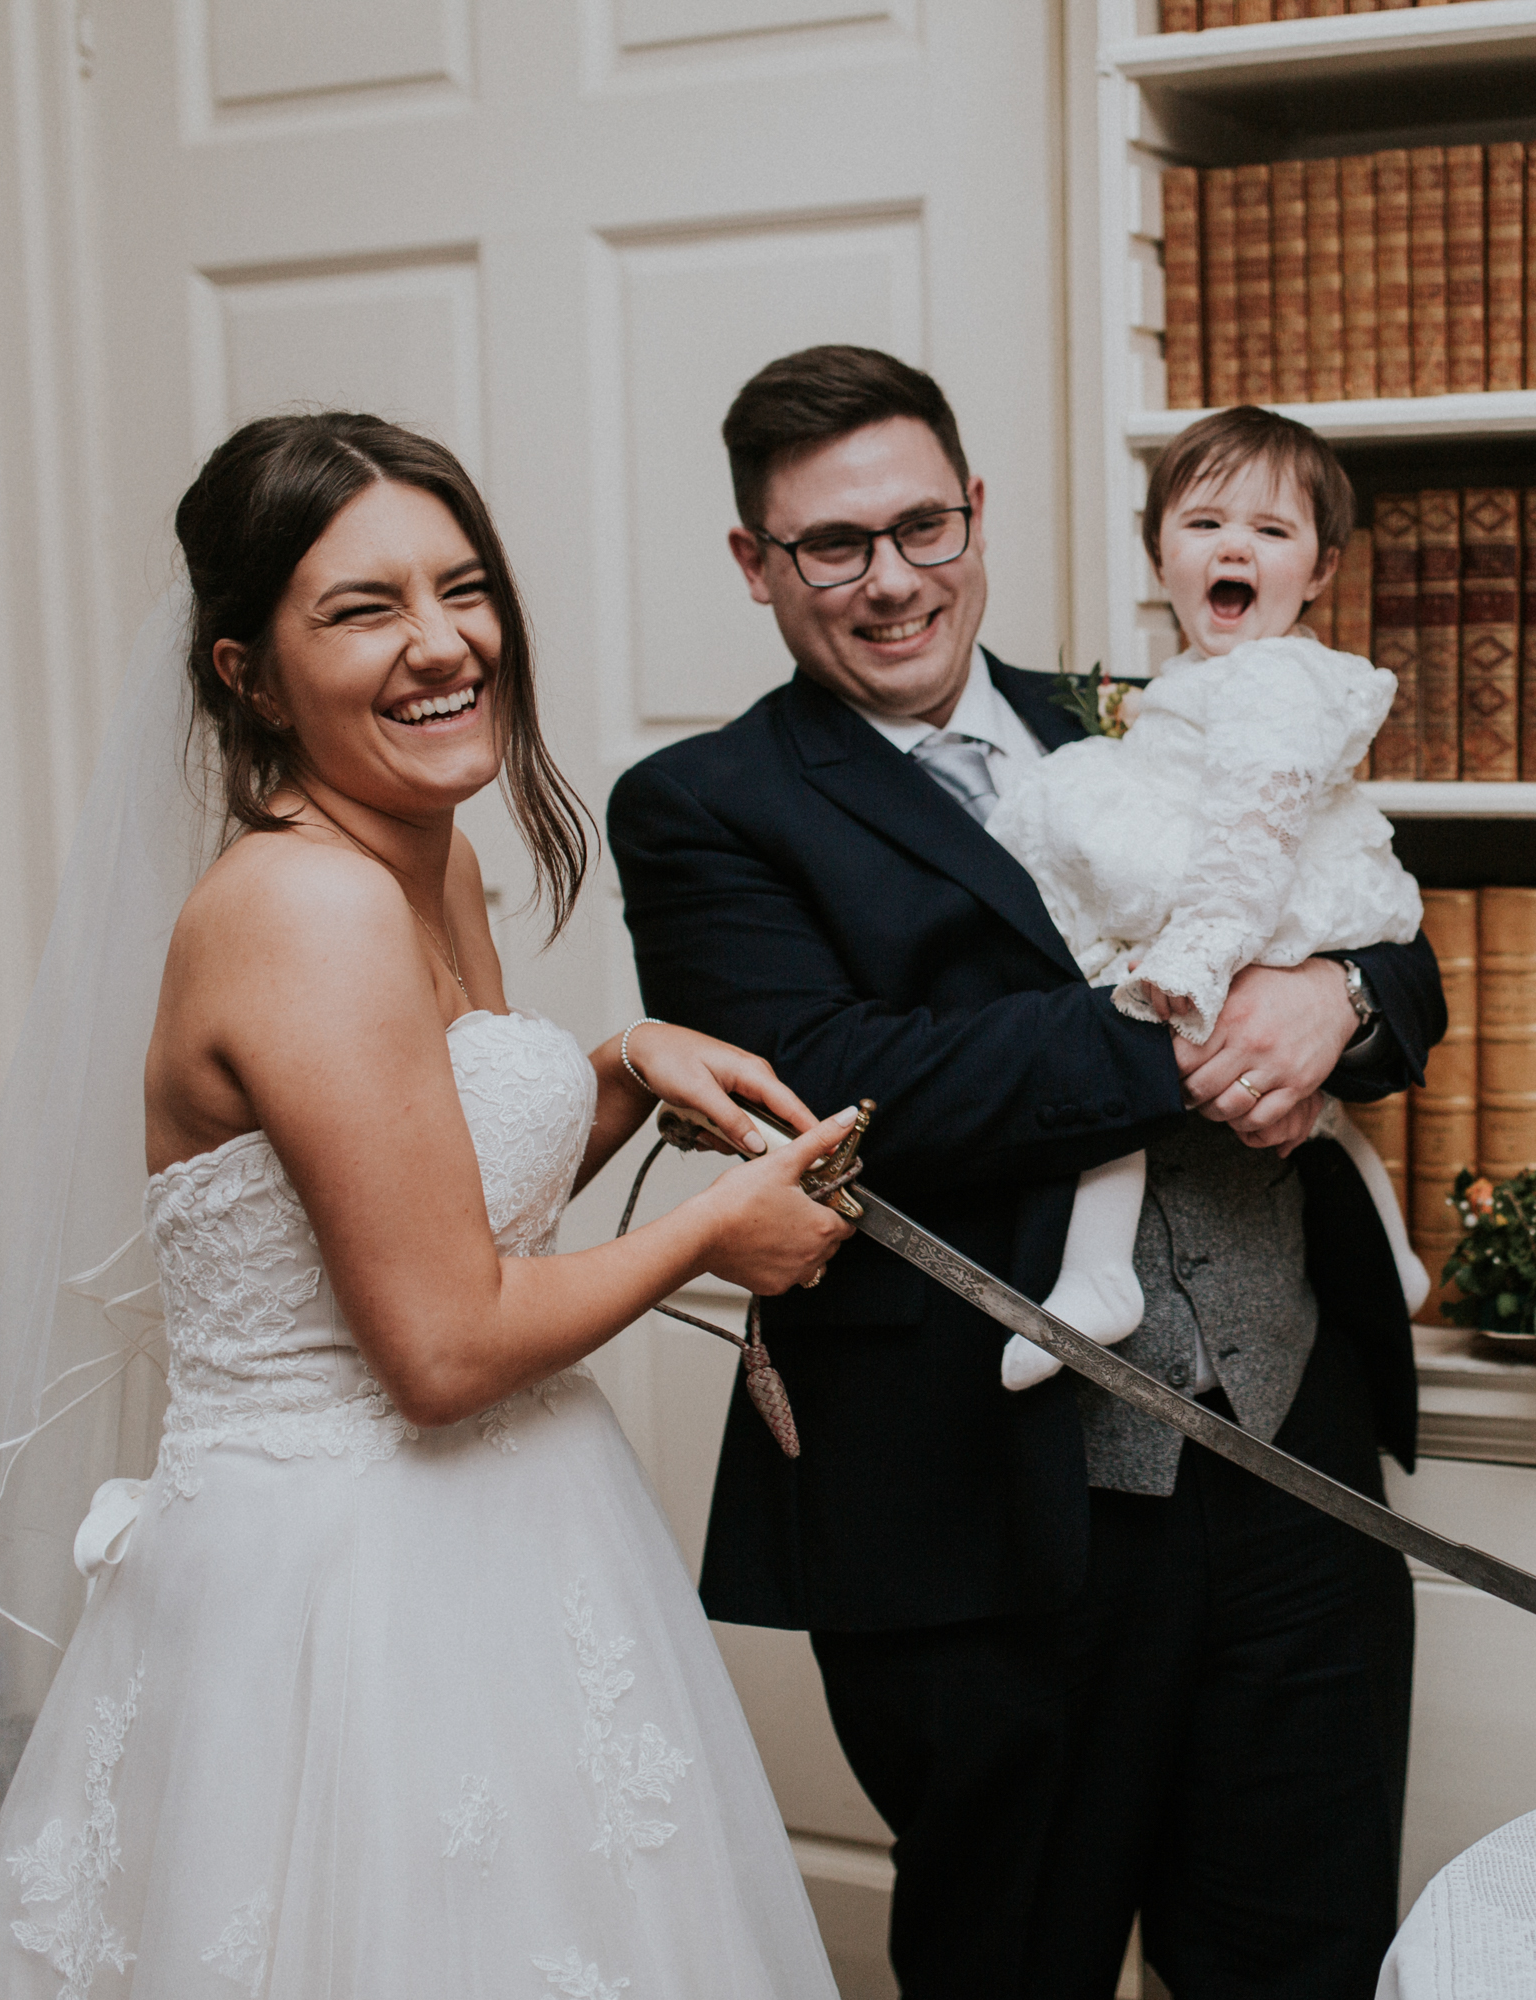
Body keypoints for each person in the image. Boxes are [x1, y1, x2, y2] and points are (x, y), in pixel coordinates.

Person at [0, 413, 854, 1998]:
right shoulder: (304, 904)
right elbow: (444, 1344)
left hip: (512, 1539)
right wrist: (713, 1229)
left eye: (461, 588)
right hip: (343, 1599)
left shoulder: (426, 858)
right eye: (361, 608)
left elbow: (439, 1191)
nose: (443, 644)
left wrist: (623, 1067)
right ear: (245, 675)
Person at [607, 346, 1444, 1998]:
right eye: (832, 547)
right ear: (754, 566)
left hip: (1297, 1466)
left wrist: (1337, 995)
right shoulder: (705, 807)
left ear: (980, 512)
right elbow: (856, 1082)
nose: (893, 580)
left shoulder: (1174, 697)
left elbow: (1391, 937)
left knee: (1306, 1956)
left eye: (924, 526)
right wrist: (1215, 1037)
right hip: (981, 1524)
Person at [988, 403, 1429, 1388]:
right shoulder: (1169, 691)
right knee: (1162, 1068)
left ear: (1318, 572)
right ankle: (1391, 1254)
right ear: (1158, 553)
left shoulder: (1283, 679)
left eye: (1272, 531)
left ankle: (1099, 1270)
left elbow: (1254, 825)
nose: (1236, 544)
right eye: (1205, 523)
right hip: (1229, 895)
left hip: (1261, 896)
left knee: (1137, 1050)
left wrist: (1196, 952)